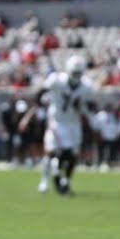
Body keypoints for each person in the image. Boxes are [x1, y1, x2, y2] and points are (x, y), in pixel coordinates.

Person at [39, 56, 95, 195]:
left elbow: (91, 106)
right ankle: (45, 180)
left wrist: (84, 108)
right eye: (74, 73)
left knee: (73, 155)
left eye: (78, 74)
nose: (76, 76)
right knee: (52, 152)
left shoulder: (87, 86)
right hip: (57, 121)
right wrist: (42, 101)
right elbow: (40, 93)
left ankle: (65, 181)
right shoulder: (57, 80)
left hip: (73, 123)